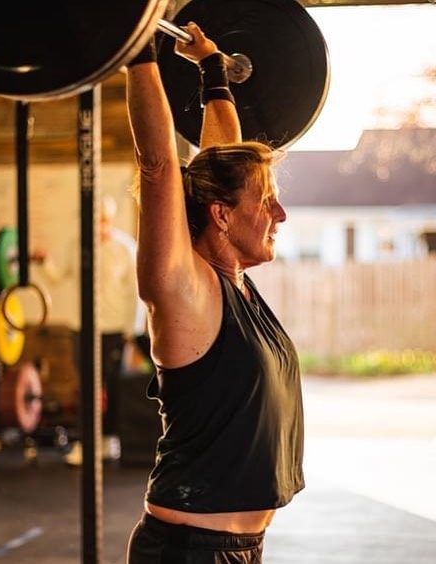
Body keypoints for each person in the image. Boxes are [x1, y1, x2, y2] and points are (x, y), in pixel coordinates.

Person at [124, 21, 305, 563]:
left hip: (240, 548)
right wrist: (138, 46)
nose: (280, 214)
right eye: (266, 201)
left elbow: (222, 159)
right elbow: (159, 166)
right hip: (190, 551)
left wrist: (213, 71)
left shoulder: (234, 286)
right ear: (221, 216)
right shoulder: (186, 289)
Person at [64, 194, 146, 466]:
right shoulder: (77, 245)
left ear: (108, 219)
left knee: (111, 386)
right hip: (83, 326)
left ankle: (109, 440)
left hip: (114, 330)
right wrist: (40, 262)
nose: (97, 225)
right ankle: (86, 442)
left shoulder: (125, 248)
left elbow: (136, 293)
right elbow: (60, 274)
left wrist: (131, 330)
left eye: (101, 220)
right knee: (86, 386)